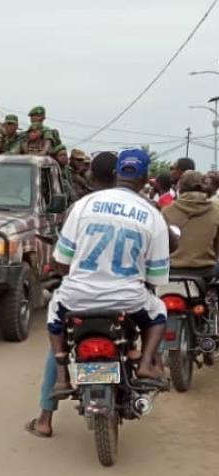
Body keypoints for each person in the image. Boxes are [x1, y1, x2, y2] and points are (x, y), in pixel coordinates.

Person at [27, 148, 170, 438]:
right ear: (145, 179)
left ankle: (58, 388)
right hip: (127, 300)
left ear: (116, 174)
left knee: (56, 318)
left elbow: (62, 261)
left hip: (78, 297)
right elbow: (156, 276)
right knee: (159, 313)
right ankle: (146, 364)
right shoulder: (153, 215)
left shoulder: (83, 205)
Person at [163, 170, 219, 270]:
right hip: (206, 270)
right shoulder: (216, 210)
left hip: (172, 268)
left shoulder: (166, 211)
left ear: (180, 187)